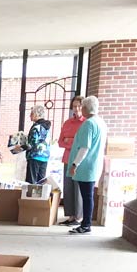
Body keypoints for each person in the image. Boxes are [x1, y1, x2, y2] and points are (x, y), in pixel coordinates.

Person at [67, 96, 108, 235]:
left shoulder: (89, 124)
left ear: (85, 108)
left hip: (86, 166)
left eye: (82, 106)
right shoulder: (101, 122)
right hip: (94, 164)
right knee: (88, 195)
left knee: (87, 196)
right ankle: (86, 223)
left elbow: (84, 147)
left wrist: (74, 164)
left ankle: (86, 224)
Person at [58, 96, 85, 225]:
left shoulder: (86, 123)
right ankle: (70, 216)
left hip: (80, 161)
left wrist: (70, 141)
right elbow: (60, 142)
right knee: (68, 187)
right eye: (74, 106)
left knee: (78, 188)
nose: (77, 109)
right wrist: (72, 142)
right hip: (67, 158)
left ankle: (79, 217)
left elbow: (83, 145)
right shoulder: (67, 123)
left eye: (79, 106)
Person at [17, 105, 52, 183]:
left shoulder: (36, 127)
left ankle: (31, 195)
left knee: (31, 182)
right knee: (41, 182)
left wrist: (19, 147)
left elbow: (31, 144)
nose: (30, 115)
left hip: (34, 157)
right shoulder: (47, 128)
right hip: (44, 157)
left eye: (32, 113)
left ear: (37, 114)